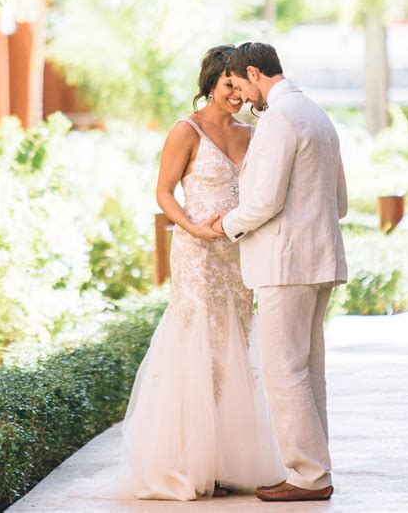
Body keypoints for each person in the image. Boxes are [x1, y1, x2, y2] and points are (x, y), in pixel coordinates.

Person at [111, 45, 285, 501]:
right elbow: (164, 192)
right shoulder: (185, 130)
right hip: (196, 252)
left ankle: (227, 461)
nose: (235, 95)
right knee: (198, 347)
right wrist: (190, 227)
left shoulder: (254, 134)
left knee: (234, 346)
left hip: (238, 253)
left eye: (239, 86)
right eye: (227, 85)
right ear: (211, 82)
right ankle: (188, 461)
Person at [210, 41, 348, 503]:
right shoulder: (316, 114)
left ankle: (308, 476)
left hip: (284, 263)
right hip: (319, 259)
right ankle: (315, 471)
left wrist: (225, 224)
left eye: (242, 86)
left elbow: (264, 200)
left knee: (283, 370)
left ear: (254, 72)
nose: (244, 98)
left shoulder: (278, 119)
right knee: (308, 371)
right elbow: (340, 202)